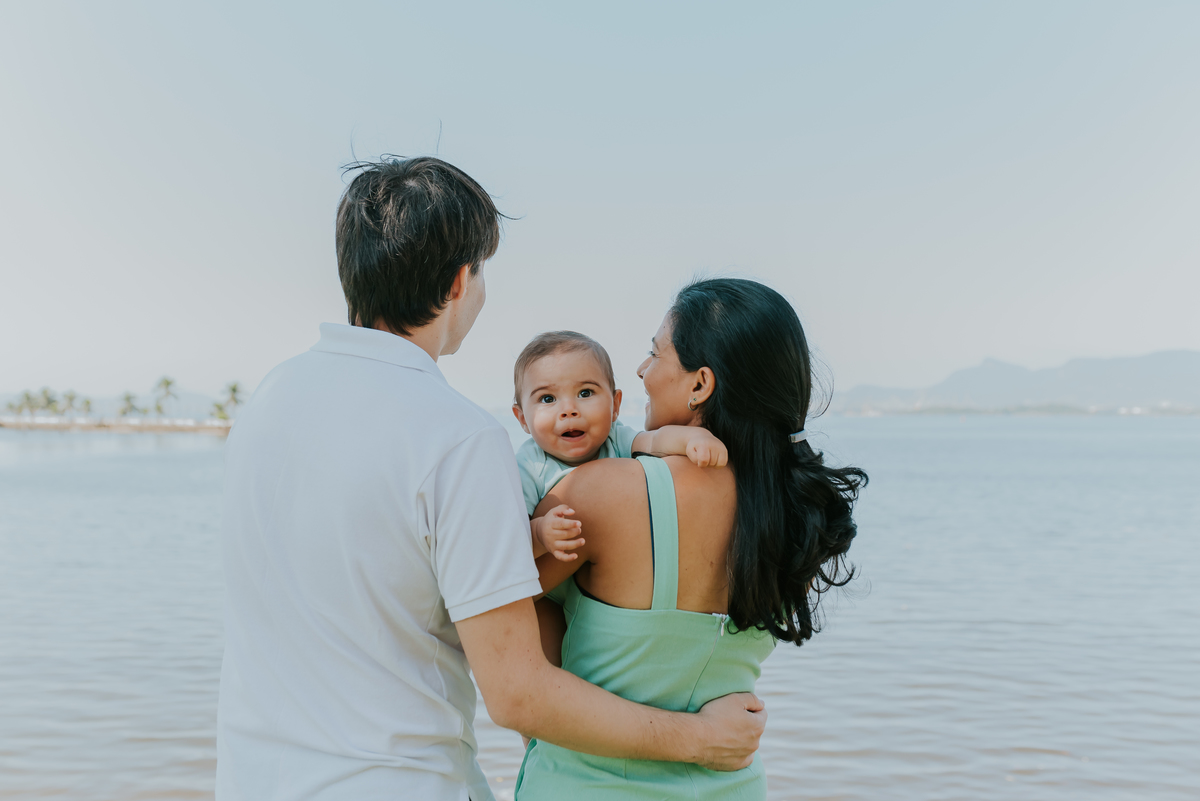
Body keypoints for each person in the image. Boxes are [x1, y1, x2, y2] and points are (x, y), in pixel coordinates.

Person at [215, 158, 766, 801]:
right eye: (482, 273)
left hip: (253, 780)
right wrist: (700, 740)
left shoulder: (267, 401)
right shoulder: (457, 436)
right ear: (458, 281)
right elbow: (518, 694)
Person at [515, 278, 868, 800]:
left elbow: (501, 636)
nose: (640, 371)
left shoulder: (602, 493)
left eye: (654, 353)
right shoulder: (789, 511)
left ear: (700, 384)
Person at [511, 330, 727, 561]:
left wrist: (693, 439)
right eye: (547, 398)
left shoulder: (616, 438)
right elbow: (509, 542)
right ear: (523, 418)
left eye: (585, 393)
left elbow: (655, 440)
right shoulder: (528, 467)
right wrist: (539, 532)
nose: (569, 410)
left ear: (615, 405)